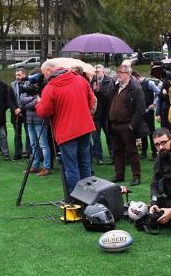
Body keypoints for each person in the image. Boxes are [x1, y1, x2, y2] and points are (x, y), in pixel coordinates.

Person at [36, 59, 97, 194]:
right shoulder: (80, 80)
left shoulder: (50, 87)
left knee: (71, 167)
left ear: (49, 71)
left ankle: (76, 199)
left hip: (66, 132)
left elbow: (44, 112)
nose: (43, 78)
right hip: (85, 127)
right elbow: (92, 101)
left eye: (43, 74)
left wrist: (38, 103)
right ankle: (89, 197)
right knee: (85, 164)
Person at [107, 64, 147, 186]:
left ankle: (136, 176)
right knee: (117, 151)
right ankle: (119, 174)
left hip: (127, 126)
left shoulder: (135, 88)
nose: (118, 74)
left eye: (122, 72)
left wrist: (131, 126)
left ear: (128, 74)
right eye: (118, 71)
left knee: (132, 152)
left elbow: (140, 109)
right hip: (115, 125)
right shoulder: (115, 87)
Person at [19, 73, 52, 176]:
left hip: (40, 119)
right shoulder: (30, 86)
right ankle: (35, 165)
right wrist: (35, 100)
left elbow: (42, 102)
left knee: (43, 144)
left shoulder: (45, 87)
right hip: (29, 119)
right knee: (33, 144)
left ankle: (47, 167)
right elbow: (22, 100)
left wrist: (32, 102)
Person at [90, 64, 114, 165]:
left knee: (109, 136)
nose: (97, 73)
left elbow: (107, 99)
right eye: (95, 72)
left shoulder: (109, 82)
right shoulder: (91, 83)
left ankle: (113, 155)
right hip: (95, 115)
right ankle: (98, 157)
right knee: (96, 137)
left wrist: (98, 92)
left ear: (103, 72)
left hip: (106, 114)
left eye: (98, 71)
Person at [9, 68, 30, 161]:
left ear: (24, 75)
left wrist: (21, 109)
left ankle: (29, 152)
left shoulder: (29, 84)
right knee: (17, 134)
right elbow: (9, 99)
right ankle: (18, 154)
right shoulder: (12, 84)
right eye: (16, 75)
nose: (17, 77)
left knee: (28, 134)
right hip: (15, 113)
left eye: (19, 75)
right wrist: (15, 109)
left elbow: (30, 99)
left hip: (27, 112)